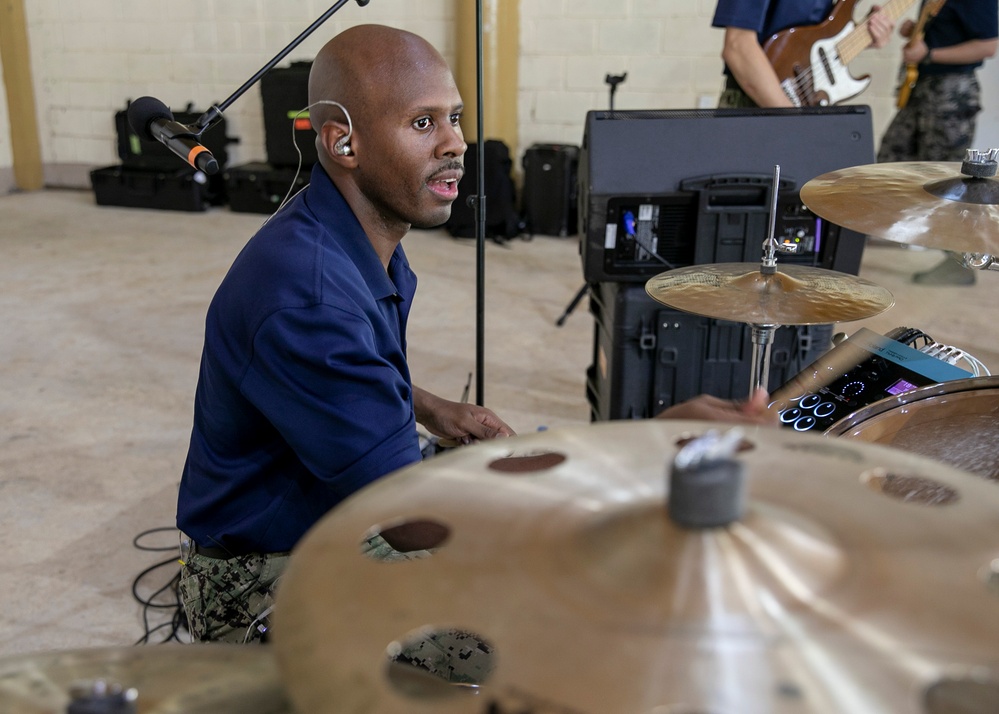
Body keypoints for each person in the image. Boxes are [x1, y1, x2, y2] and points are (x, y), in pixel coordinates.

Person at [176, 24, 778, 645]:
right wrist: (643, 451)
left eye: (456, 118)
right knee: (554, 629)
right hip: (258, 577)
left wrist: (426, 404)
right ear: (343, 143)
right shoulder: (310, 295)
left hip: (339, 513)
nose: (456, 145)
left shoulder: (351, 239)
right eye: (422, 124)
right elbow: (413, 524)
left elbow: (335, 372)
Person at [877, 0, 998, 286]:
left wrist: (929, 52)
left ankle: (959, 261)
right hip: (923, 89)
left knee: (947, 185)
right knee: (889, 165)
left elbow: (988, 46)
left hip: (951, 94)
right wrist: (917, 32)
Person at [712, 1, 894, 107]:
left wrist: (862, 35)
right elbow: (738, 47)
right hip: (752, 110)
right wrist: (795, 122)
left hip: (807, 111)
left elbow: (817, 44)